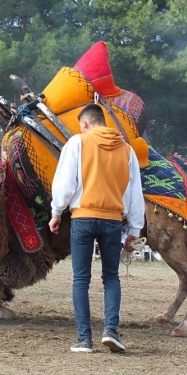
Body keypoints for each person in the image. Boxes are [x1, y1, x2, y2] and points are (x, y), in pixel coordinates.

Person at [48, 103, 145, 354]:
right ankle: (111, 331)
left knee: (81, 279)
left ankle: (84, 339)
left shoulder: (78, 143)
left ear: (85, 124)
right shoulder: (127, 151)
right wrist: (134, 228)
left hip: (83, 217)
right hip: (113, 220)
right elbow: (134, 192)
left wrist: (57, 212)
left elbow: (65, 183)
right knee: (111, 277)